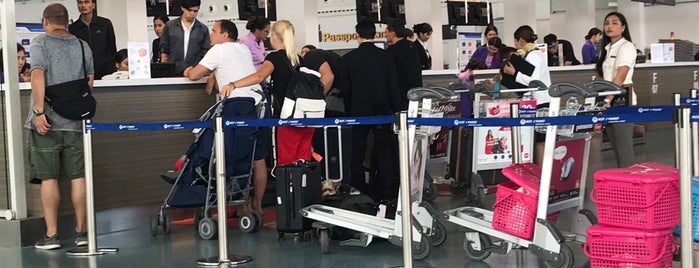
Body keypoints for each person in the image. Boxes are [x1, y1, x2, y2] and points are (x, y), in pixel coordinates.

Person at [183, 20, 270, 215]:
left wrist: (188, 70)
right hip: (260, 106)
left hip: (237, 109)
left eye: (214, 31)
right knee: (257, 158)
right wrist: (214, 74)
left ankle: (230, 204)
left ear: (224, 35)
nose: (210, 35)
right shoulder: (242, 49)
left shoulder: (218, 50)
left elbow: (195, 75)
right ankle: (254, 205)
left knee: (230, 155)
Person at [28, 3, 95, 250]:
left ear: (45, 21)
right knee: (78, 177)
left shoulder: (40, 43)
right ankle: (82, 232)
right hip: (76, 122)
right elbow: (89, 82)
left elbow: (37, 75)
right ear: (67, 21)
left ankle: (52, 235)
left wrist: (38, 112)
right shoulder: (82, 45)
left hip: (47, 121)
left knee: (48, 178)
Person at [225, 20, 333, 166]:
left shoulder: (274, 58)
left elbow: (259, 76)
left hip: (287, 119)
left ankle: (288, 189)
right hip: (307, 120)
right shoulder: (299, 59)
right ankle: (303, 189)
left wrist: (233, 84)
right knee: (303, 163)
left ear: (275, 37)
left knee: (287, 165)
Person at [342, 20, 400, 200]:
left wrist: (349, 109)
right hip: (382, 111)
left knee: (357, 151)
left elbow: (346, 90)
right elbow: (392, 86)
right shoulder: (386, 57)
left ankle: (357, 188)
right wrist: (396, 110)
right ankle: (387, 190)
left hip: (358, 111)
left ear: (356, 35)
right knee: (384, 151)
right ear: (375, 34)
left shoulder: (347, 59)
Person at [503, 25, 551, 166]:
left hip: (540, 102)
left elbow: (534, 82)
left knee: (539, 142)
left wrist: (514, 74)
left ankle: (541, 175)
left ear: (521, 40)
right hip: (536, 102)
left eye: (515, 41)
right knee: (536, 141)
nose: (515, 45)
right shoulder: (534, 55)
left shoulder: (534, 56)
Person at [596, 12, 637, 168]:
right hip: (608, 101)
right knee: (616, 149)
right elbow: (601, 76)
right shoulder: (606, 49)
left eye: (614, 23)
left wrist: (607, 100)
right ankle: (622, 185)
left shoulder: (627, 47)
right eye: (607, 23)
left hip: (621, 102)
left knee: (624, 149)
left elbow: (620, 77)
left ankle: (632, 188)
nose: (609, 26)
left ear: (623, 27)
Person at [69, 0, 116, 80]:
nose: (83, 5)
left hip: (106, 73)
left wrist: (110, 67)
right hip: (83, 74)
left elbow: (112, 48)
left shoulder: (105, 23)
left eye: (86, 2)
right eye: (80, 2)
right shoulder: (73, 28)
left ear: (93, 5)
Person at [160, 0, 210, 75]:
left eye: (195, 11)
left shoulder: (203, 29)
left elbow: (205, 53)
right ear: (182, 8)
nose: (192, 14)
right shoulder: (170, 26)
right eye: (189, 10)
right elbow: (164, 49)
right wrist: (163, 68)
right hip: (172, 71)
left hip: (193, 72)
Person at [385, 19, 422, 110]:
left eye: (386, 32)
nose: (385, 35)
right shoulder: (413, 47)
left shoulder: (391, 51)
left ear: (392, 33)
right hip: (416, 92)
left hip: (400, 95)